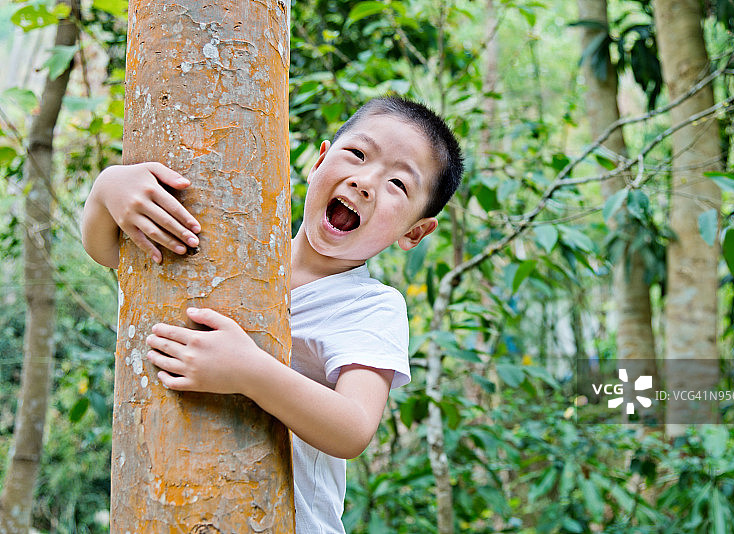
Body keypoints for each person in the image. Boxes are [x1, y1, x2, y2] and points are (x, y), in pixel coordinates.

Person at [81, 96, 463, 533]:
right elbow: (113, 252)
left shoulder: (370, 305)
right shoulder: (237, 248)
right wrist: (107, 189)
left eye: (398, 184)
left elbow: (353, 428)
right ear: (318, 162)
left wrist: (249, 372)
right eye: (357, 154)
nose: (365, 181)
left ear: (414, 231)